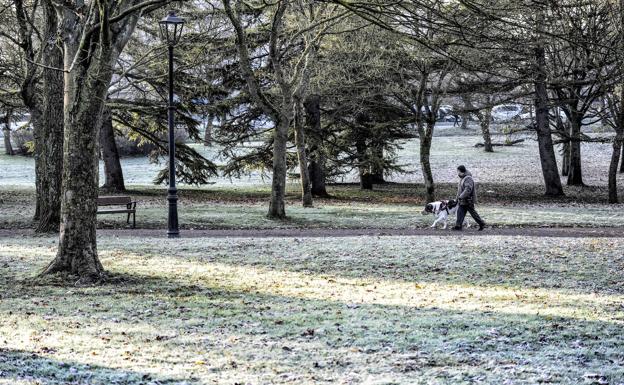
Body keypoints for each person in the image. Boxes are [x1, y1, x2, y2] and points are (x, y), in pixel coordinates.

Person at [454, 165, 486, 231]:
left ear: (461, 171)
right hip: (462, 200)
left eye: (458, 171)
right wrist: (457, 199)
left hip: (468, 200)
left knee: (473, 214)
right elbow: (459, 191)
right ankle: (458, 226)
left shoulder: (468, 178)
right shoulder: (462, 178)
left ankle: (482, 223)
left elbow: (468, 189)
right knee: (460, 212)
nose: (457, 172)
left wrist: (460, 197)